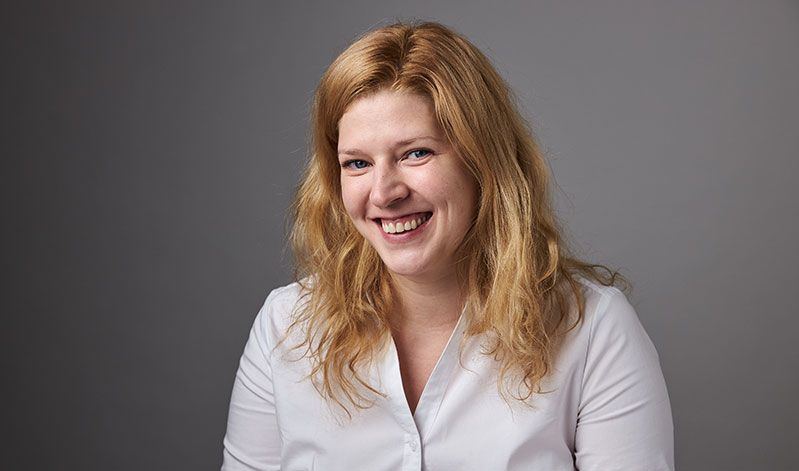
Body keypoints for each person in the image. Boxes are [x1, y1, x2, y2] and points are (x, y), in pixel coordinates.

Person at [222, 21, 673, 471]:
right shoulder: (285, 328)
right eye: (357, 163)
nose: (383, 193)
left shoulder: (593, 331)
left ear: (484, 162)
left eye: (415, 153)